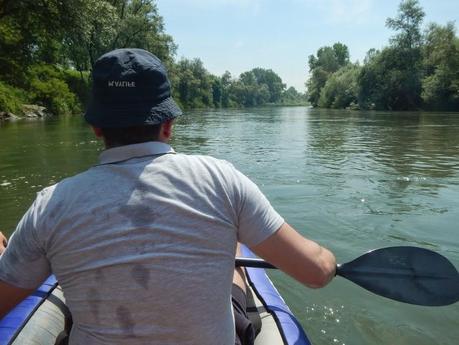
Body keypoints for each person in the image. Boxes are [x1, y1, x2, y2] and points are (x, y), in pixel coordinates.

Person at [0, 48, 336, 345]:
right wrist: (328, 261)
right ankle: (234, 252)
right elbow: (315, 273)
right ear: (169, 124)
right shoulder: (222, 180)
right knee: (232, 251)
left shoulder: (50, 205)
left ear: (96, 127)